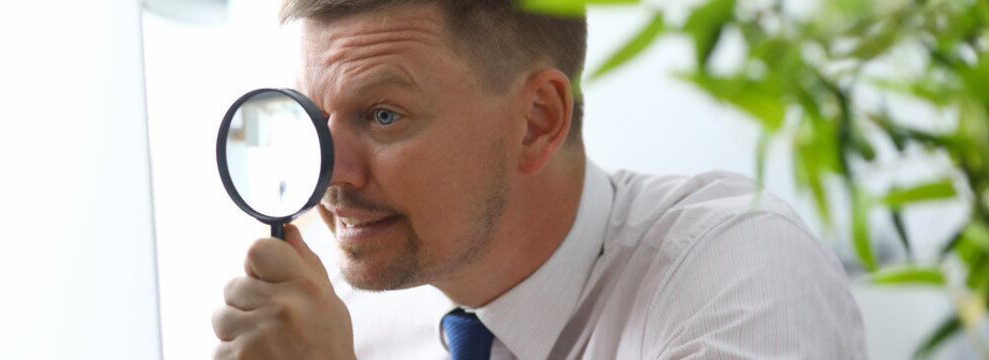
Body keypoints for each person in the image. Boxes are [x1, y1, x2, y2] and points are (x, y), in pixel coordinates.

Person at [211, 0, 868, 359]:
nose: (332, 173)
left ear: (536, 120)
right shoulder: (346, 315)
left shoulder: (740, 269)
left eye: (383, 115)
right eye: (316, 120)